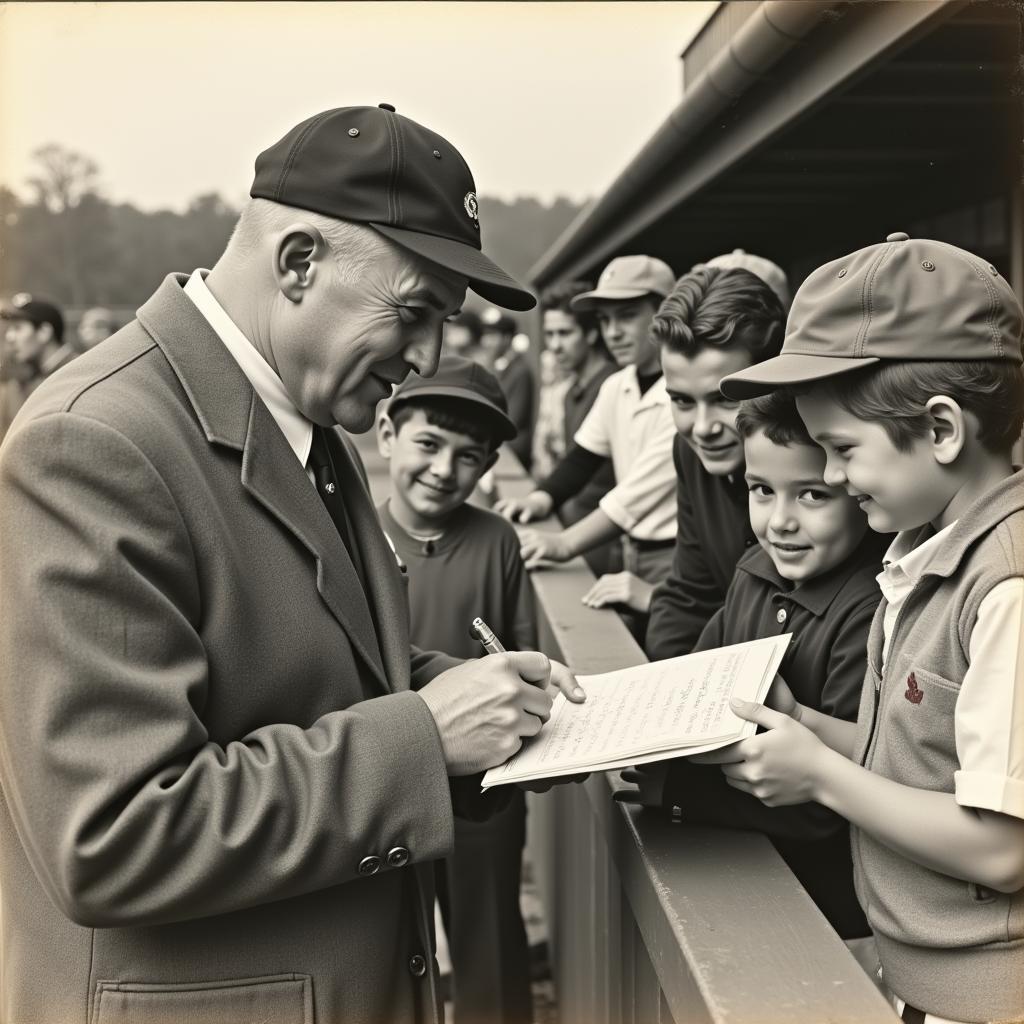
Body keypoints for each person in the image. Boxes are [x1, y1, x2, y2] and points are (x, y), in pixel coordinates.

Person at [0, 104, 585, 1024]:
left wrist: (481, 703)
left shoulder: (306, 412)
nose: (429, 354)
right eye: (416, 310)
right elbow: (111, 833)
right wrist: (425, 737)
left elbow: (294, 669)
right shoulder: (93, 440)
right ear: (299, 261)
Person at [714, 232, 1024, 1023]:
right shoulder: (921, 547)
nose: (826, 476)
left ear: (943, 430)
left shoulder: (1009, 584)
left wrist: (818, 776)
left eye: (842, 449)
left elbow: (1001, 846)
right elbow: (921, 767)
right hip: (923, 978)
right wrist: (807, 728)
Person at [618, 389, 886, 946]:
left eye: (812, 494)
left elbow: (832, 803)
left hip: (825, 910)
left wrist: (679, 792)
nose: (780, 521)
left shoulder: (868, 613)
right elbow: (696, 678)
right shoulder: (754, 572)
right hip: (729, 867)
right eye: (761, 490)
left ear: (859, 491)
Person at [376, 355, 535, 1024]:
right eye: (428, 444)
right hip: (382, 784)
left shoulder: (496, 539)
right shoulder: (353, 533)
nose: (444, 469)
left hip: (484, 794)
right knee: (380, 946)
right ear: (386, 433)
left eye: (469, 457)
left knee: (488, 944)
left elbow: (527, 658)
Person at [498, 255, 678, 632]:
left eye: (626, 315)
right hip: (631, 547)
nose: (613, 332)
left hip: (674, 553)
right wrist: (539, 499)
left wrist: (563, 544)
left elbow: (632, 497)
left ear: (666, 313)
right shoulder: (618, 383)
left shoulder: (685, 393)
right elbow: (581, 458)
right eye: (606, 319)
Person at [642, 265, 786, 660]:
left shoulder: (833, 464)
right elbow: (691, 592)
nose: (702, 429)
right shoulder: (689, 454)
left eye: (724, 398)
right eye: (682, 401)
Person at [535, 279, 618, 575]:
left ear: (592, 333)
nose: (555, 345)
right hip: (571, 527)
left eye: (565, 333)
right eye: (549, 334)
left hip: (607, 543)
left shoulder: (615, 386)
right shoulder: (572, 391)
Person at [0, 293, 72, 438]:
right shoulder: (31, 375)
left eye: (18, 328)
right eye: (9, 330)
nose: (10, 337)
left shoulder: (74, 374)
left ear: (44, 332)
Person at [480, 307, 535, 470]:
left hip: (514, 450)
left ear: (507, 338)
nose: (486, 342)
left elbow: (514, 419)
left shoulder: (521, 371)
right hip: (499, 445)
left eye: (492, 336)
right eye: (486, 336)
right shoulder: (497, 367)